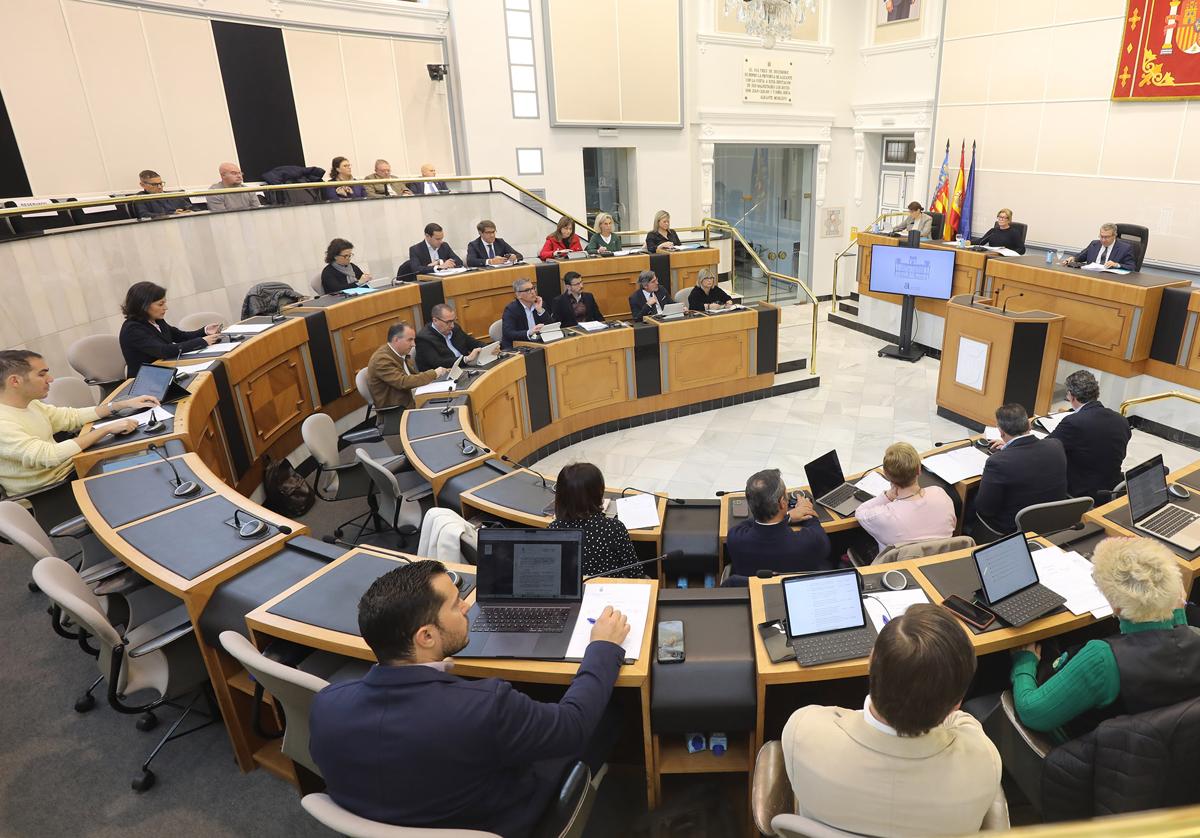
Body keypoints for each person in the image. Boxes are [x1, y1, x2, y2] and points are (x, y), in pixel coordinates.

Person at [309, 560, 629, 835]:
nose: (466, 605)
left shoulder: (326, 705)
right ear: (426, 636)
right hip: (498, 825)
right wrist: (602, 647)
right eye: (454, 603)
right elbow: (572, 726)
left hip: (392, 816)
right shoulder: (486, 705)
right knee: (608, 712)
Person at [782, 604, 1001, 837]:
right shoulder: (984, 762)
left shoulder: (803, 730)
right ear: (957, 702)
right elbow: (964, 724)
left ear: (870, 661)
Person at [1005, 537, 1200, 739]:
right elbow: (1175, 653)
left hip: (1087, 752)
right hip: (1165, 750)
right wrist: (1177, 617)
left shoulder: (1102, 658)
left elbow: (1033, 713)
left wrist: (1024, 664)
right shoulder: (1195, 637)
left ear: (1116, 606)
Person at [0, 350, 160, 496]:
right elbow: (48, 456)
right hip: (52, 493)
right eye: (42, 375)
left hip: (72, 470)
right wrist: (106, 429)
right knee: (149, 472)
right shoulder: (3, 423)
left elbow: (71, 417)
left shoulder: (30, 403)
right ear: (15, 381)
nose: (50, 379)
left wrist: (121, 405)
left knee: (152, 459)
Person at [974, 403, 1068, 536]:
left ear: (1001, 432)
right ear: (1029, 426)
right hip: (1052, 522)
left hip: (1013, 528)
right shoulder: (1056, 445)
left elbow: (985, 509)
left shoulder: (998, 462)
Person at [725, 468, 831, 579]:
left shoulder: (735, 538)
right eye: (786, 496)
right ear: (782, 503)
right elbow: (822, 540)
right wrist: (806, 508)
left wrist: (788, 516)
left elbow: (747, 524)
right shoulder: (812, 541)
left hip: (754, 594)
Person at [854, 442, 957, 553]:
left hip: (899, 568)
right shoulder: (940, 494)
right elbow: (953, 524)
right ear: (919, 470)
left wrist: (887, 497)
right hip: (940, 565)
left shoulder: (883, 516)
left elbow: (860, 512)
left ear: (887, 475)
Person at [1047, 370, 1131, 502]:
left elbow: (1047, 448)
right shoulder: (1121, 420)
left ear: (1071, 396)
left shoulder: (1073, 422)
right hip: (1112, 487)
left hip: (1081, 491)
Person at [547, 462, 639, 578]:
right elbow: (634, 572)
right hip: (610, 592)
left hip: (572, 593)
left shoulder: (553, 530)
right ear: (599, 493)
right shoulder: (614, 528)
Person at [118, 282, 222, 376]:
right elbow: (164, 350)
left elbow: (180, 336)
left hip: (166, 370)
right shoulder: (132, 329)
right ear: (143, 306)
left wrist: (205, 331)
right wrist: (202, 341)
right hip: (146, 381)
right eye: (160, 304)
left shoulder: (157, 321)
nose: (165, 307)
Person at [366, 322, 445, 411]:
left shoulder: (402, 354)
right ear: (396, 340)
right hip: (396, 412)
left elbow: (413, 378)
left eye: (414, 340)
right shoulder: (381, 360)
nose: (413, 344)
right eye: (410, 340)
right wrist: (434, 373)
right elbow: (403, 382)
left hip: (412, 401)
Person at [415, 303, 483, 371]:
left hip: (465, 369)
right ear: (435, 320)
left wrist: (488, 349)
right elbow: (438, 363)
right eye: (448, 322)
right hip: (442, 377)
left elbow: (474, 343)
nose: (452, 325)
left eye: (453, 321)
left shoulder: (455, 328)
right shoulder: (423, 339)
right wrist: (466, 359)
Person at [501, 278, 553, 349]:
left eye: (533, 288)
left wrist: (540, 310)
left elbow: (552, 326)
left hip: (538, 343)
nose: (533, 292)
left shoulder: (540, 304)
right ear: (518, 295)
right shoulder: (511, 309)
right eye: (528, 290)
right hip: (518, 347)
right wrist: (529, 332)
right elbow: (508, 333)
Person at [1061, 222, 1137, 271]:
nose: (1103, 240)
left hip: (1110, 280)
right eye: (1101, 236)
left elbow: (1131, 267)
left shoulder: (1125, 248)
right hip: (1091, 277)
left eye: (1106, 237)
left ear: (1114, 236)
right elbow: (1080, 257)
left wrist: (1116, 265)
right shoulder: (1094, 244)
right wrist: (1072, 258)